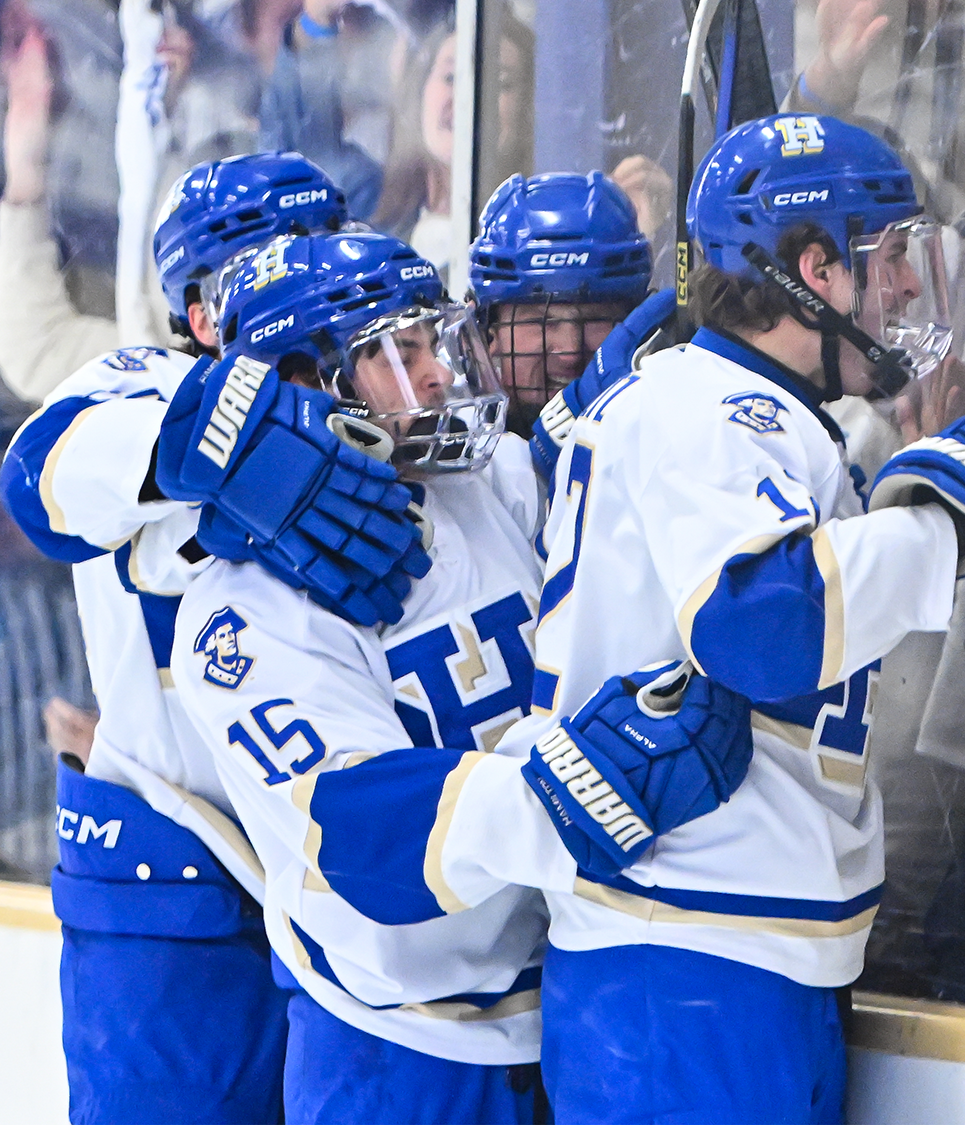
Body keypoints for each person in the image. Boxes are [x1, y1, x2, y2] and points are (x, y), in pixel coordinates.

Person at [499, 112, 965, 1123]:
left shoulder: (758, 415)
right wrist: (940, 522)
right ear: (815, 268)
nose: (901, 284)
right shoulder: (708, 408)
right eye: (885, 254)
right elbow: (757, 628)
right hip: (679, 967)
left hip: (730, 961)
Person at [168, 228, 755, 1122]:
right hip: (398, 1053)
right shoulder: (238, 614)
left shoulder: (480, 485)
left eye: (432, 344)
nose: (438, 376)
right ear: (299, 384)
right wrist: (572, 793)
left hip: (566, 1009)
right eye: (396, 355)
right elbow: (362, 831)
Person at [0, 152, 423, 1124]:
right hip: (174, 907)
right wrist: (242, 442)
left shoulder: (381, 394)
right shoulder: (140, 388)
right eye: (274, 259)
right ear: (199, 312)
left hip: (340, 886)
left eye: (322, 249)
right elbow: (42, 475)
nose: (308, 278)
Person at [468, 172, 654, 439]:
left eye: (595, 318)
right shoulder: (456, 465)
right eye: (540, 321)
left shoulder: (664, 446)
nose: (570, 354)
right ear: (487, 333)